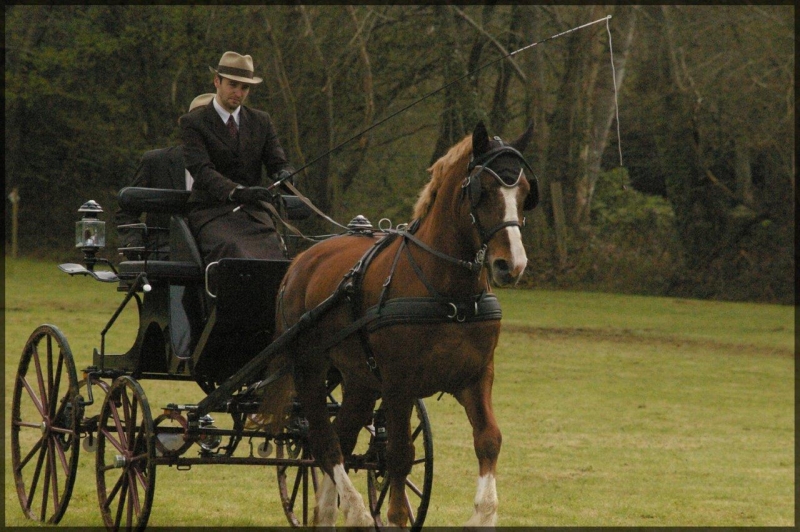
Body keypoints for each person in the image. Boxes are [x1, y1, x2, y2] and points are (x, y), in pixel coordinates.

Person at [179, 51, 296, 264]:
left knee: (275, 253)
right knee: (233, 250)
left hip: (254, 215)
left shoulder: (261, 121)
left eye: (245, 87)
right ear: (217, 81)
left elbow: (277, 161)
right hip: (211, 212)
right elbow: (202, 170)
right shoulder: (194, 122)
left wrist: (284, 174)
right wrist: (236, 191)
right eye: (232, 85)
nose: (238, 93)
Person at [116, 93, 216, 259]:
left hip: (216, 251)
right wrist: (133, 243)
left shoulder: (236, 167)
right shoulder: (156, 162)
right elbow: (126, 212)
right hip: (165, 254)